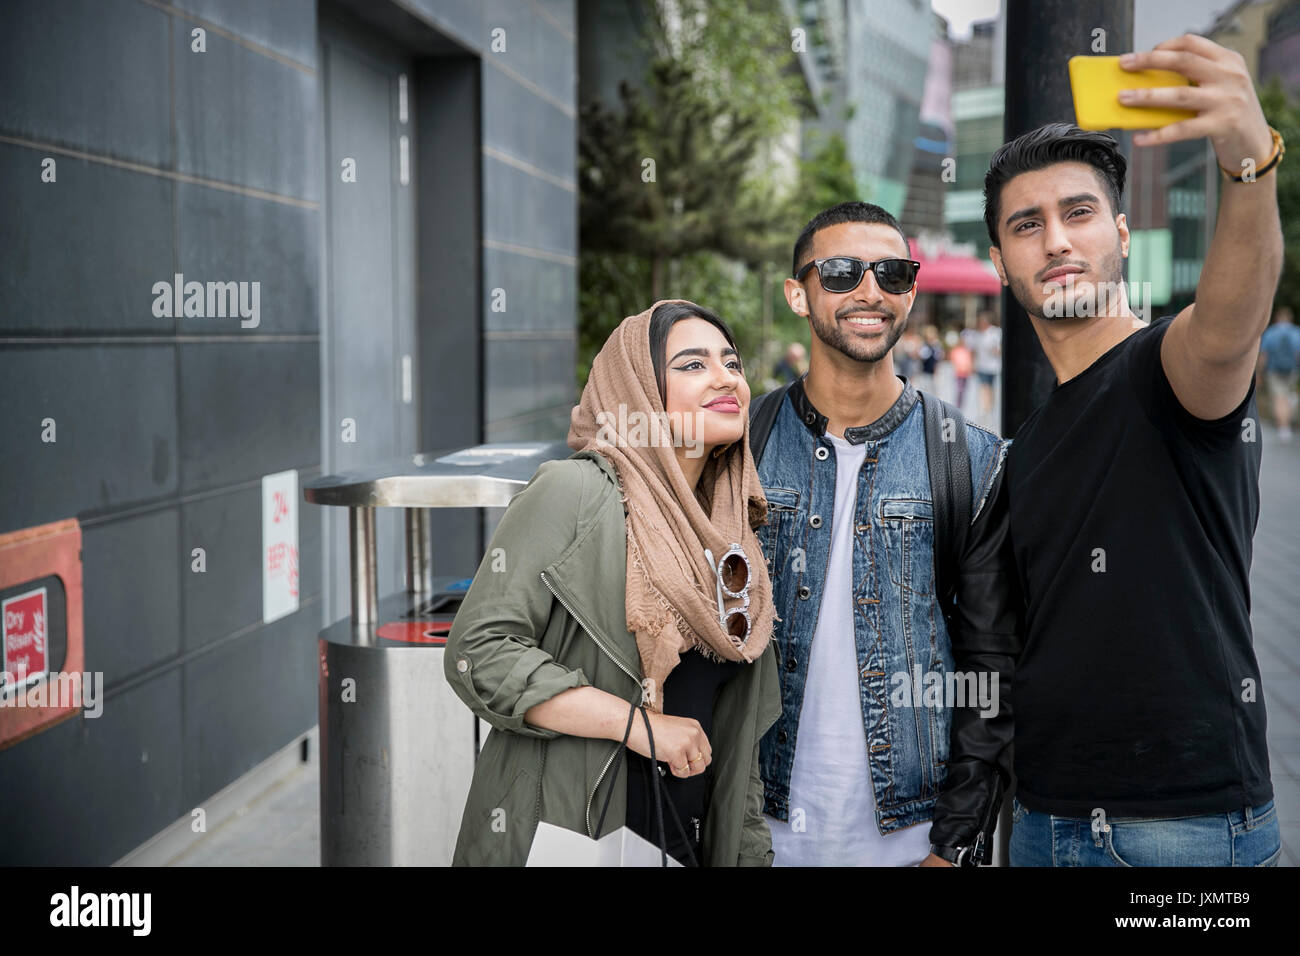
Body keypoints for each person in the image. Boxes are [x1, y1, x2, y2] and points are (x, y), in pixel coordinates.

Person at [983, 34, 1281, 867]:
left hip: (1179, 833)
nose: (1056, 241)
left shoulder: (1167, 367)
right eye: (1027, 226)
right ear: (1004, 265)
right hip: (1041, 819)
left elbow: (1228, 327)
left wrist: (1249, 167)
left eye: (1078, 213)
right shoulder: (1031, 439)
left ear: (1120, 230)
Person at [444, 299, 782, 866]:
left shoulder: (730, 534)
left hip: (685, 843)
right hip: (575, 838)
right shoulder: (575, 492)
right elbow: (478, 653)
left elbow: (736, 742)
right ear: (638, 391)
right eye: (693, 365)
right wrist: (638, 727)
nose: (726, 377)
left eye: (731, 362)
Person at [753, 201, 1019, 867]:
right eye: (841, 272)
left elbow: (991, 669)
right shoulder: (743, 447)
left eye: (893, 273)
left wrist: (956, 843)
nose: (870, 291)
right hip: (754, 829)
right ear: (798, 293)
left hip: (911, 839)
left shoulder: (971, 458)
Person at [1259, 305, 1300, 440]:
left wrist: (1259, 372)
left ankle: (1283, 427)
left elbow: (1264, 355)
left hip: (1274, 371)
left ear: (1277, 319)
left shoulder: (1271, 332)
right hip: (1292, 370)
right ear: (1290, 318)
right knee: (1288, 395)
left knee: (1278, 398)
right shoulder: (1296, 332)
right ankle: (1291, 408)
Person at [970, 311, 1002, 425]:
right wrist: (973, 364)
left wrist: (994, 351)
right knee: (984, 388)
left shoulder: (995, 332)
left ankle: (990, 409)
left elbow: (1000, 350)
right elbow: (974, 351)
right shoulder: (977, 334)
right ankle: (985, 411)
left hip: (993, 366)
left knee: (991, 389)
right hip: (981, 366)